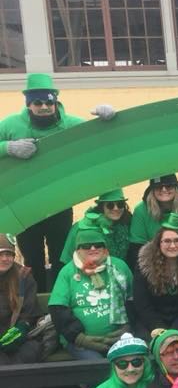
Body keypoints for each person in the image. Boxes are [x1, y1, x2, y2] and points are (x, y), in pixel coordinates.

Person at [2, 73, 115, 292]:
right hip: (25, 205)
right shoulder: (10, 124)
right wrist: (9, 147)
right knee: (32, 257)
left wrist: (108, 117)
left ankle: (60, 298)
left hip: (59, 203)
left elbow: (97, 137)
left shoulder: (70, 124)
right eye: (38, 103)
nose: (44, 107)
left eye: (49, 102)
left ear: (55, 102)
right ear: (28, 104)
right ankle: (36, 302)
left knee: (60, 255)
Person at [49, 214, 133, 359]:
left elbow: (134, 299)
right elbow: (58, 309)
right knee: (96, 367)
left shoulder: (119, 266)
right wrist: (79, 338)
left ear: (105, 247)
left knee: (130, 360)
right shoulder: (68, 272)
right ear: (78, 249)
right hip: (80, 341)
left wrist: (128, 326)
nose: (93, 248)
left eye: (98, 244)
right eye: (87, 245)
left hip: (119, 337)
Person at [0, 234, 41, 388]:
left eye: (9, 254)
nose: (5, 259)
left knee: (26, 355)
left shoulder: (24, 276)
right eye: (1, 255)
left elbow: (30, 313)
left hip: (18, 336)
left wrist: (20, 331)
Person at [132, 213, 178, 340]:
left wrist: (175, 330)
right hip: (150, 322)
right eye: (167, 241)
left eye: (177, 240)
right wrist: (157, 327)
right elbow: (141, 303)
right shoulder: (144, 266)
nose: (172, 246)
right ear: (159, 244)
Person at [128, 174, 178, 269]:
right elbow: (137, 249)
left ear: (176, 187)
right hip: (152, 264)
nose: (164, 189)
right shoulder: (141, 210)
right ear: (152, 189)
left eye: (169, 186)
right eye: (158, 186)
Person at [61, 190, 132, 265]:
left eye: (120, 204)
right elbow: (67, 259)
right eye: (110, 205)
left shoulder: (127, 223)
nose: (116, 208)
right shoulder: (81, 227)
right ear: (102, 207)